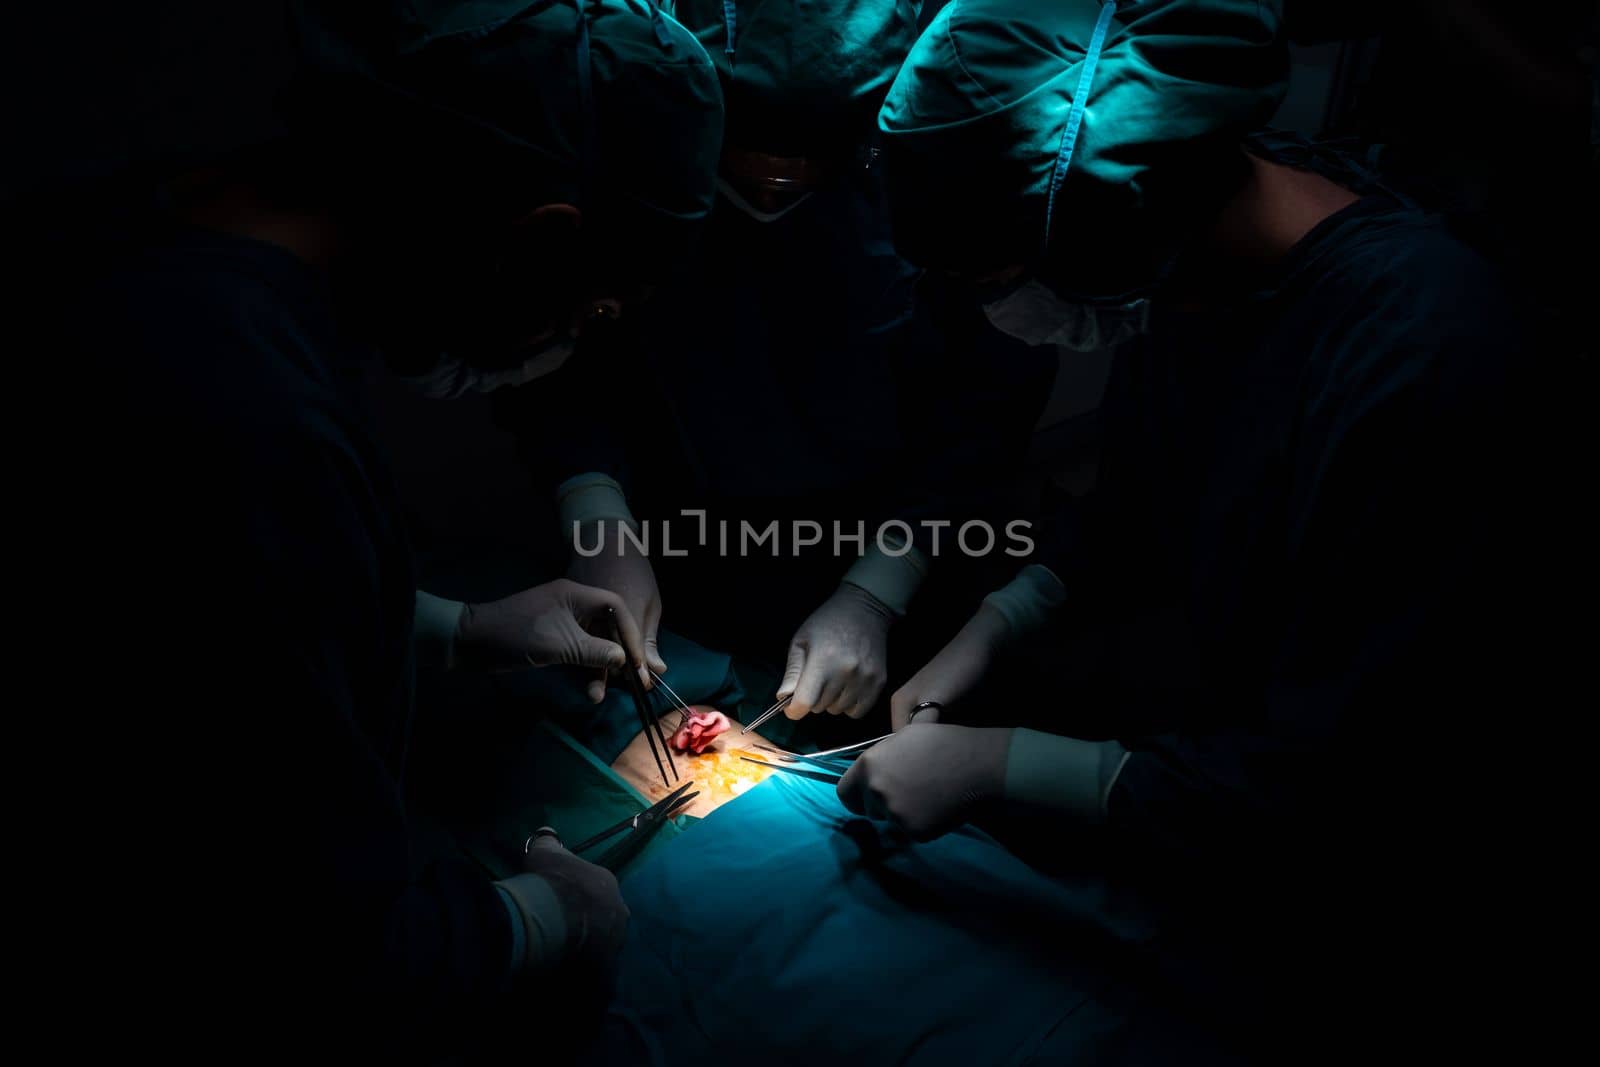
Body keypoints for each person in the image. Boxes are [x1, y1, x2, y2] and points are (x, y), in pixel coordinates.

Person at [839, 0, 1557, 1056]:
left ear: (1102, 220)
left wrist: (1006, 764)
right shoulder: (1199, 275)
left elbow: (1342, 783)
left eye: (992, 280)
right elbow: (1140, 497)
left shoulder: (1426, 361)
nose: (991, 312)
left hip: (1395, 884)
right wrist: (997, 619)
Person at [48, 0, 722, 1054]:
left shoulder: (134, 230)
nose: (577, 339)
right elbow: (298, 952)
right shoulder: (244, 416)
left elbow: (167, 610)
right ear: (541, 240)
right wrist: (536, 919)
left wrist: (452, 624)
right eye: (590, 312)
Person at [494, 0, 1055, 734]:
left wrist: (877, 591)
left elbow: (988, 405)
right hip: (670, 544)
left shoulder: (944, 175)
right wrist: (596, 511)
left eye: (801, 175)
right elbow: (553, 338)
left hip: (891, 544)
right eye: (741, 170)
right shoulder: (626, 152)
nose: (769, 192)